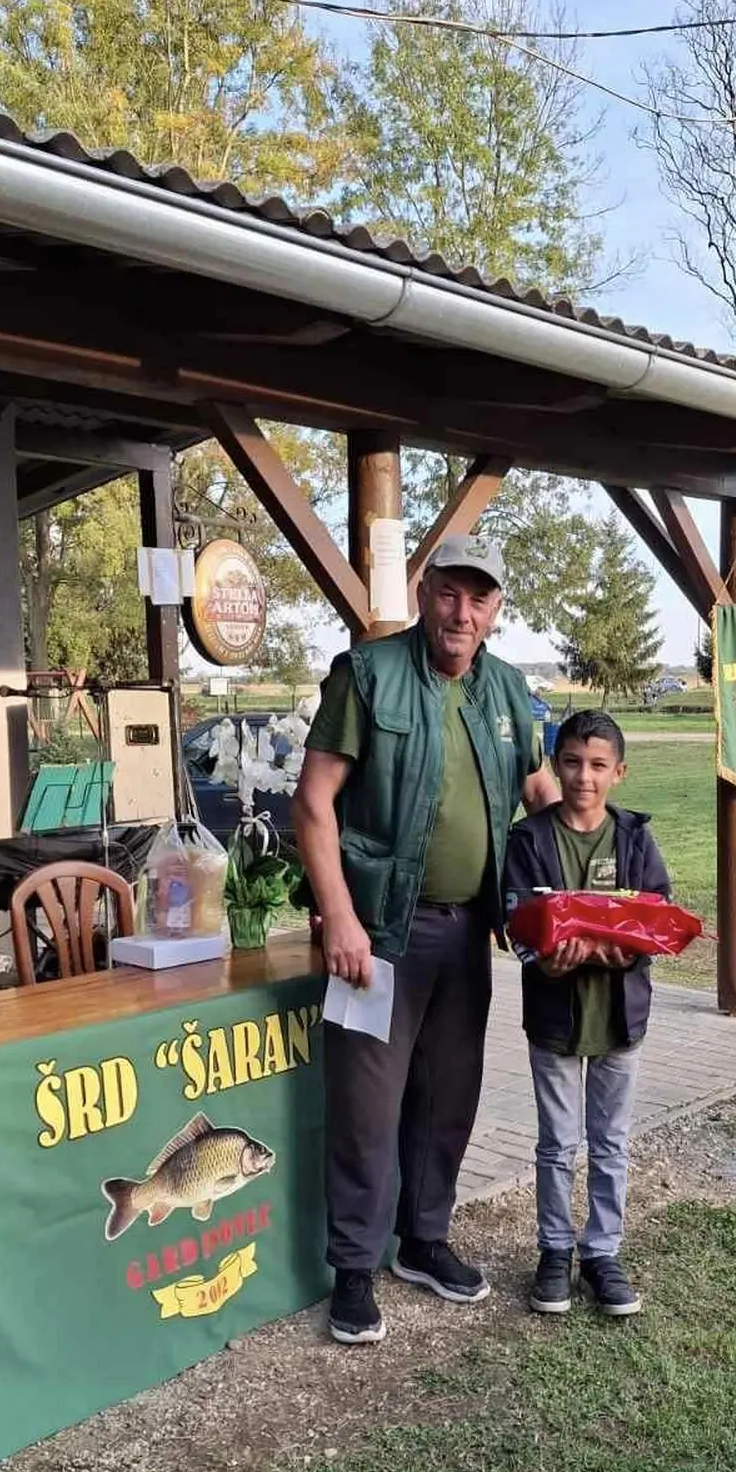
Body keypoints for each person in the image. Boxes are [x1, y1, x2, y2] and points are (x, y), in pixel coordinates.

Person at [293, 534, 558, 1347]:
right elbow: (313, 802)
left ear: (496, 610)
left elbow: (541, 792)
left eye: (480, 598)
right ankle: (353, 1270)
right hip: (378, 936)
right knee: (366, 1106)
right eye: (449, 592)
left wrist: (580, 887)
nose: (462, 612)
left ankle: (425, 1239)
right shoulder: (367, 676)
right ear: (425, 591)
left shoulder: (508, 690)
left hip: (468, 934)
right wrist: (338, 914)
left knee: (449, 1096)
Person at [502, 710, 671, 1319]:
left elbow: (658, 918)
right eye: (571, 762)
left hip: (619, 1020)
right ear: (554, 765)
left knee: (611, 1142)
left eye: (598, 766)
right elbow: (516, 925)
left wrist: (619, 948)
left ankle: (602, 1252)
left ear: (618, 773)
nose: (584, 777)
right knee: (556, 1144)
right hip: (554, 1019)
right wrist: (547, 963)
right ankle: (554, 1250)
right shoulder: (529, 841)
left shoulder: (634, 838)